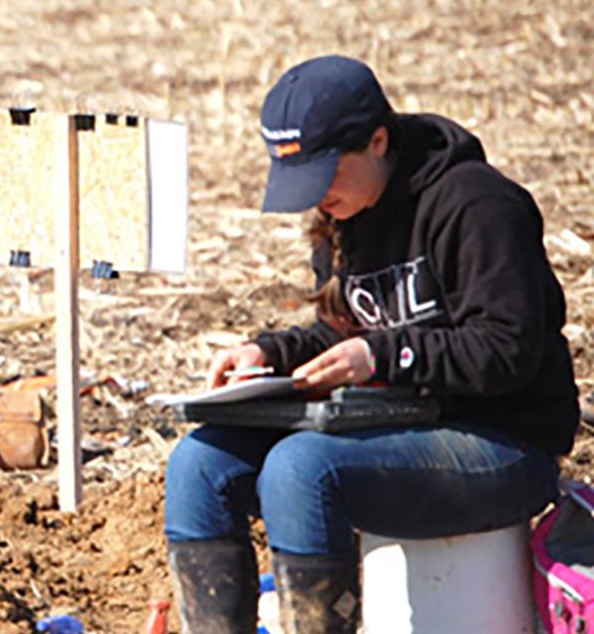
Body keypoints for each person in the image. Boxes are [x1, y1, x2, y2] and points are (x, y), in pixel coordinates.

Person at [164, 55, 579, 633]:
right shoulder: (346, 215)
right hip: (399, 428)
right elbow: (349, 327)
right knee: (197, 463)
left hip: (502, 442)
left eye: (327, 174)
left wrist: (382, 356)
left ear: (378, 140)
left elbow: (507, 349)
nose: (317, 197)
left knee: (299, 470)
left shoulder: (477, 205)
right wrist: (270, 353)